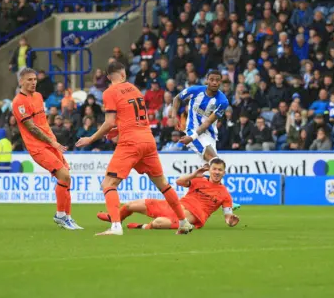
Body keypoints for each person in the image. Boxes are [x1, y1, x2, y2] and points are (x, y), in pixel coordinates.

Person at [75, 61, 193, 236]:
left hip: (131, 142)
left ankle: (115, 226)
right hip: (148, 139)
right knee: (163, 185)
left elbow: (109, 122)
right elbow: (130, 117)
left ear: (108, 77)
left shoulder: (109, 92)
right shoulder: (134, 89)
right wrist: (117, 129)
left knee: (108, 184)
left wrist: (91, 138)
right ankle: (183, 222)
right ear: (123, 75)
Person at [12, 68, 82, 230]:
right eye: (29, 79)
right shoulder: (18, 102)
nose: (33, 82)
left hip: (50, 142)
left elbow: (42, 121)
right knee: (64, 175)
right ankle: (60, 215)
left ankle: (68, 217)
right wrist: (53, 141)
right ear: (21, 81)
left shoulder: (38, 96)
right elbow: (32, 128)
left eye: (35, 79)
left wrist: (53, 138)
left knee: (67, 177)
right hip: (37, 147)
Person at [97, 158, 239, 230]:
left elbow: (227, 216)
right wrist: (194, 174)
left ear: (224, 173)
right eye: (214, 169)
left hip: (189, 217)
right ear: (210, 170)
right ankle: (116, 220)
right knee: (129, 205)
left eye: (220, 170)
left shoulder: (225, 194)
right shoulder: (199, 180)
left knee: (158, 223)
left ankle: (143, 227)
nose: (216, 172)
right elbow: (179, 182)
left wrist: (230, 221)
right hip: (174, 206)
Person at [170, 69, 241, 210]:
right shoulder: (195, 90)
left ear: (220, 82)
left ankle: (184, 202)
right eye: (212, 79)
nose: (214, 82)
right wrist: (173, 116)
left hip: (208, 134)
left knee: (206, 169)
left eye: (217, 80)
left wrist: (192, 137)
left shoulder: (222, 101)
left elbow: (207, 123)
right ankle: (227, 203)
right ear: (207, 80)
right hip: (192, 131)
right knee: (216, 162)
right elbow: (177, 98)